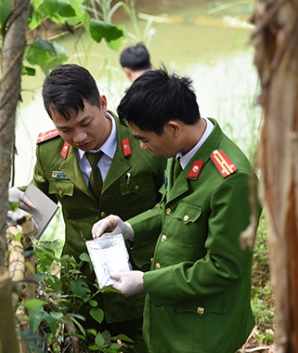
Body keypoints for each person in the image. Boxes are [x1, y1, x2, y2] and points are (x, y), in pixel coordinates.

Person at [91, 67, 260, 353]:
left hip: (203, 329)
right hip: (171, 315)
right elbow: (170, 208)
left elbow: (224, 268)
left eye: (144, 139)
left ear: (173, 128)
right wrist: (129, 227)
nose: (143, 147)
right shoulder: (184, 150)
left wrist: (147, 281)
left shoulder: (232, 179)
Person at [10, 64, 166, 352]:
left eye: (85, 123)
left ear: (103, 104)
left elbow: (169, 207)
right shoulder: (50, 151)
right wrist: (9, 204)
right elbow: (37, 207)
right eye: (65, 129)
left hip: (141, 280)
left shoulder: (145, 141)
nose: (79, 137)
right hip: (82, 288)